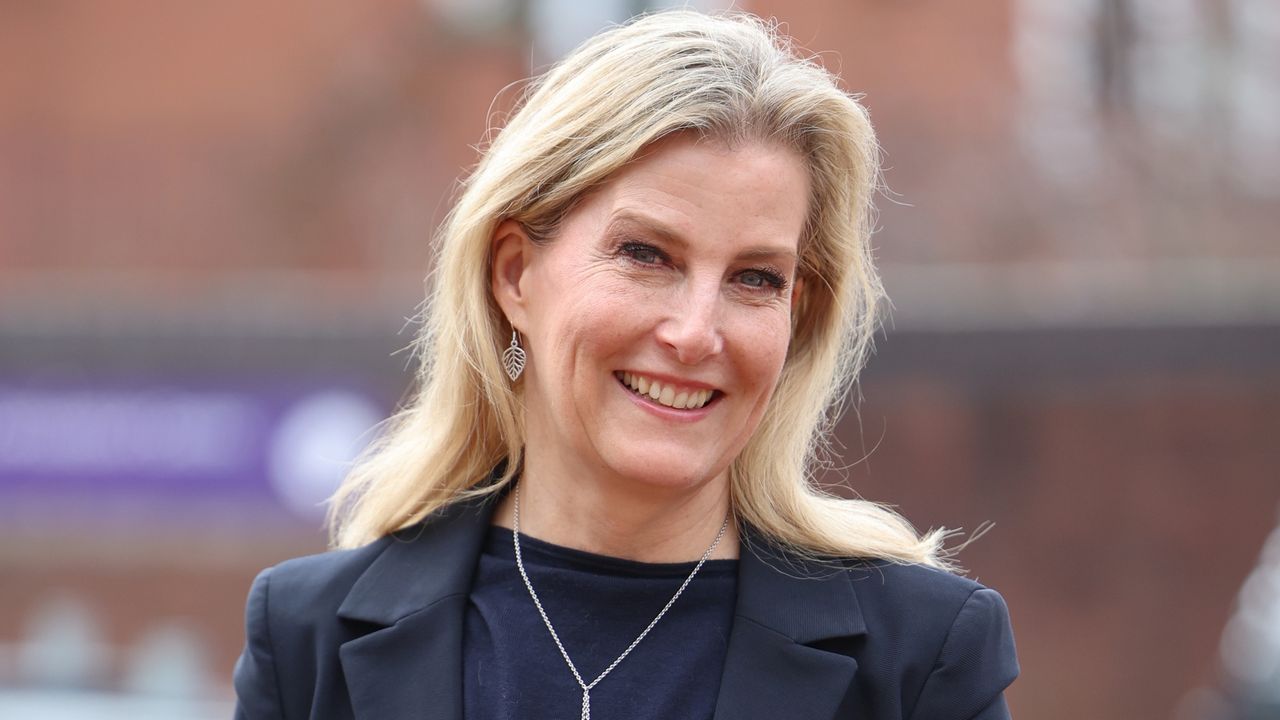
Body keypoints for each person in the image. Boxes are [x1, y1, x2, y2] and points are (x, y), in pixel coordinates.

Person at [233, 10, 1019, 720]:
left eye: (755, 278)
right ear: (514, 275)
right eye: (645, 255)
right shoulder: (309, 642)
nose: (694, 332)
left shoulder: (922, 657)